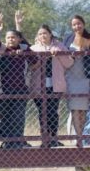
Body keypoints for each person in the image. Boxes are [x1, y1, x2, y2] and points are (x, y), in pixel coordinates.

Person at [30, 25, 72, 147]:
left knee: (53, 111)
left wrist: (59, 54)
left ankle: (53, 138)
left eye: (45, 33)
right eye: (40, 34)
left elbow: (69, 63)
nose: (43, 35)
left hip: (55, 85)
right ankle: (44, 139)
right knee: (42, 112)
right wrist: (43, 58)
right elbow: (31, 67)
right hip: (38, 86)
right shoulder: (33, 48)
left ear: (50, 34)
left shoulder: (59, 46)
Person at [0, 30, 33, 149]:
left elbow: (35, 61)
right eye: (8, 37)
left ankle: (18, 141)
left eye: (13, 37)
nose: (11, 40)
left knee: (18, 117)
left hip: (21, 89)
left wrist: (24, 54)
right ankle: (8, 142)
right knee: (5, 117)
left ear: (19, 39)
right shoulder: (2, 50)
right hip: (3, 90)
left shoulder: (24, 49)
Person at [63, 15, 90, 146]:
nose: (77, 26)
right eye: (74, 24)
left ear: (83, 24)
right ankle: (78, 138)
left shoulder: (89, 38)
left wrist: (85, 51)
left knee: (83, 109)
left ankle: (83, 137)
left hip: (85, 77)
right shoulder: (68, 39)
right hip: (71, 77)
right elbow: (62, 54)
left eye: (79, 23)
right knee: (74, 108)